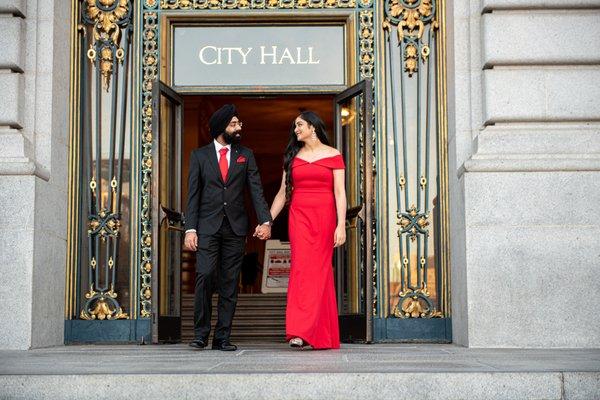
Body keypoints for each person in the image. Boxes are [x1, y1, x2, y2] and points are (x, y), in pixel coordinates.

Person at [184, 104, 272, 351]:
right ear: (220, 127)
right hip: (207, 227)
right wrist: (191, 228)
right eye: (233, 124)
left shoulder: (246, 155)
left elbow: (256, 190)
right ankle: (201, 333)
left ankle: (222, 337)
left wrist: (265, 220)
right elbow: (193, 195)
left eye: (238, 123)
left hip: (235, 228)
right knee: (204, 275)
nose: (238, 127)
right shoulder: (199, 156)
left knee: (230, 282)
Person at [265, 111, 346, 350]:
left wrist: (341, 225)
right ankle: (299, 331)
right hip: (299, 217)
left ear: (313, 127)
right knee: (301, 270)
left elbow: (340, 193)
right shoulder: (292, 156)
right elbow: (282, 194)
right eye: (295, 126)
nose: (295, 130)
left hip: (325, 217)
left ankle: (318, 331)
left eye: (299, 125)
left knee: (320, 271)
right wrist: (267, 221)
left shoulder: (334, 155)